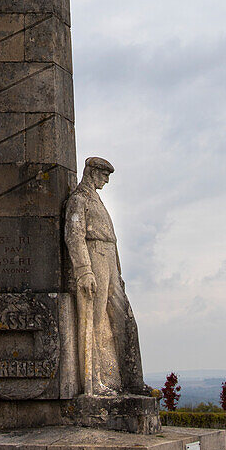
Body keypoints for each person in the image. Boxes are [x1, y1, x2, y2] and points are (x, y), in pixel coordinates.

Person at [64, 157, 145, 395]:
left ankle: (129, 381)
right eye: (104, 175)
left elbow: (112, 239)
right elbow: (74, 236)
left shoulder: (95, 200)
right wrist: (84, 270)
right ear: (91, 172)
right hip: (94, 255)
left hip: (108, 258)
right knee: (94, 320)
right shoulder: (79, 200)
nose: (106, 181)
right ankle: (94, 382)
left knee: (124, 319)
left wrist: (117, 271)